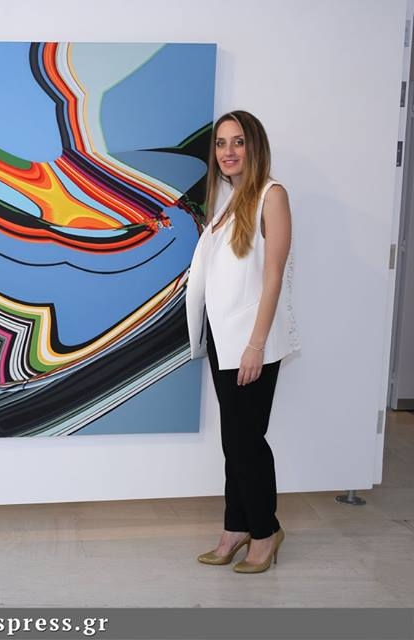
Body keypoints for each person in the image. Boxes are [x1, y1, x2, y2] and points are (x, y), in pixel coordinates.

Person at [185, 110, 299, 574]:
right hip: (224, 338)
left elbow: (274, 276)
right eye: (220, 143)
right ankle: (236, 526)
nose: (227, 151)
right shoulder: (229, 201)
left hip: (252, 342)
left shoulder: (272, 195)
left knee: (247, 441)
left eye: (237, 141)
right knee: (234, 440)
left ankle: (265, 532)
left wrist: (256, 345)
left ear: (255, 146)